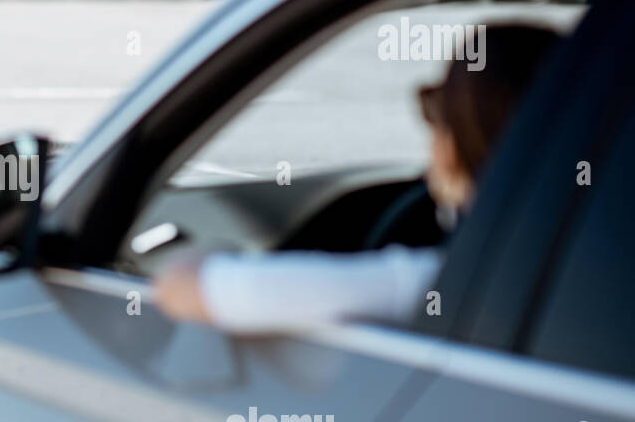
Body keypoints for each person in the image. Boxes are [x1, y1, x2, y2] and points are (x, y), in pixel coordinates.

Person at [152, 22, 562, 332]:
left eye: (437, 110)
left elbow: (181, 288)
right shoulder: (583, 265)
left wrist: (213, 249)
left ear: (456, 144)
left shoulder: (424, 283)